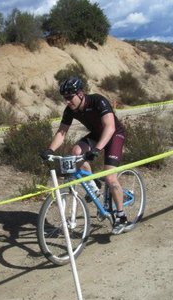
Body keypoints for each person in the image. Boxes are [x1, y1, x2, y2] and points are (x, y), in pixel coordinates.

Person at [41, 76, 130, 234]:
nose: (67, 101)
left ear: (80, 94)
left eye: (70, 97)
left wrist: (97, 150)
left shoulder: (98, 101)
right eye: (65, 98)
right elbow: (62, 132)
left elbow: (109, 127)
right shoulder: (70, 110)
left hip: (115, 134)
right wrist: (50, 150)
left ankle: (121, 216)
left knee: (110, 177)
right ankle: (94, 187)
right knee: (76, 152)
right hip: (96, 135)